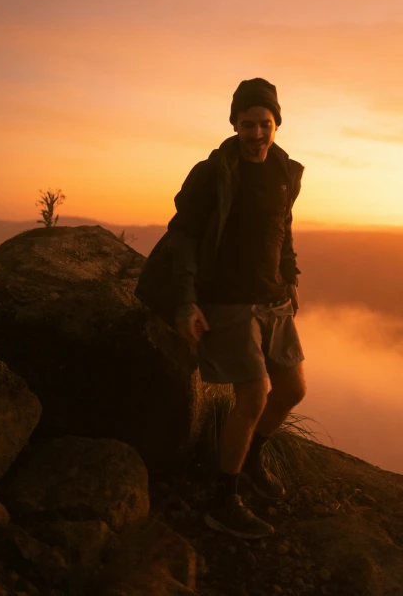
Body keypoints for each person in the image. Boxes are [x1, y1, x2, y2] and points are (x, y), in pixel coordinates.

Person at [138, 78, 306, 539]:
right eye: (247, 124)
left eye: (264, 124)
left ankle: (249, 457)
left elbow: (282, 226)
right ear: (233, 124)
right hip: (227, 302)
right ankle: (222, 501)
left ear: (277, 124)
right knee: (252, 396)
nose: (256, 134)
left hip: (272, 299)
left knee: (292, 390)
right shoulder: (212, 172)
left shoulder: (286, 171)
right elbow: (184, 237)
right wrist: (187, 299)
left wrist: (290, 274)